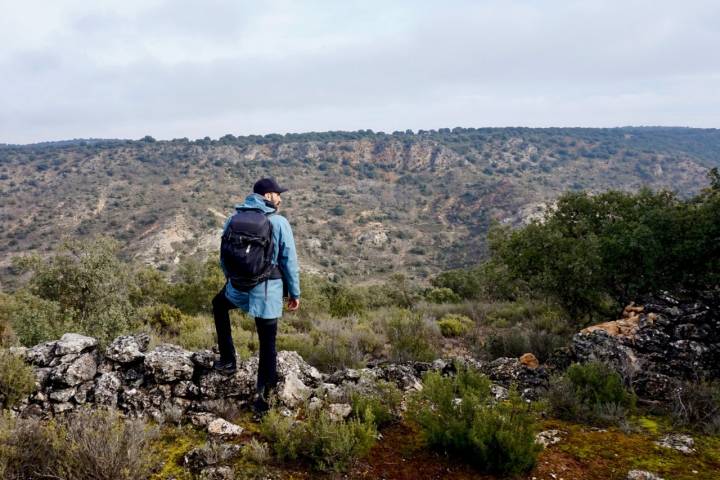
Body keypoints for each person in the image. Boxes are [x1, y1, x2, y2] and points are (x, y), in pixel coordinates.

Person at [212, 177, 300, 414]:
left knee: (218, 305)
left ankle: (228, 360)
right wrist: (294, 292)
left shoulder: (233, 219)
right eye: (278, 194)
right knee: (267, 344)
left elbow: (223, 256)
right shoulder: (279, 222)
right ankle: (264, 402)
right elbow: (288, 260)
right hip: (267, 291)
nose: (280, 198)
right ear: (268, 196)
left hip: (239, 286)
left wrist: (233, 280)